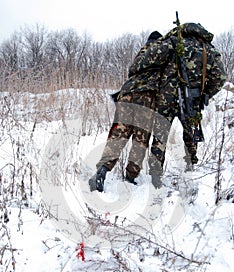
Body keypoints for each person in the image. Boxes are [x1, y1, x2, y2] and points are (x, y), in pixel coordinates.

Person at [89, 23, 226, 192]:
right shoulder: (208, 50)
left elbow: (142, 63)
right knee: (187, 134)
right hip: (190, 98)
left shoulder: (172, 43)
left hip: (163, 97)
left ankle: (152, 175)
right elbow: (220, 78)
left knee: (152, 136)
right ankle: (189, 168)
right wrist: (206, 94)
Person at [89, 31, 163, 192]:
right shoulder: (162, 53)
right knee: (140, 139)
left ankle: (102, 170)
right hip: (146, 98)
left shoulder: (142, 53)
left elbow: (131, 73)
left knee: (118, 135)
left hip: (126, 95)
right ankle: (130, 176)